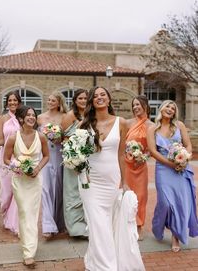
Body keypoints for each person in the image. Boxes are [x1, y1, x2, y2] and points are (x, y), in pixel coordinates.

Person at [80, 86, 140, 270]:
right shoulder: (85, 125)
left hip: (111, 181)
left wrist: (125, 182)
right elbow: (79, 155)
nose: (99, 98)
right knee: (98, 225)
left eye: (102, 95)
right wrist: (82, 173)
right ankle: (106, 267)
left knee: (107, 224)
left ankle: (94, 258)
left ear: (108, 99)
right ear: (92, 101)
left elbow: (121, 155)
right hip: (89, 182)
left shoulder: (121, 122)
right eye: (95, 96)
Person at [147, 100, 198, 252]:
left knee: (179, 203)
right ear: (161, 109)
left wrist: (185, 157)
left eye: (173, 108)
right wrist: (170, 164)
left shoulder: (179, 126)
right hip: (163, 169)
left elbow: (188, 145)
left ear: (175, 113)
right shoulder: (152, 129)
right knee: (166, 203)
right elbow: (153, 152)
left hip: (181, 169)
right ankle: (159, 223)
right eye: (167, 106)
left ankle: (175, 236)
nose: (170, 109)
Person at [4, 106, 49, 268]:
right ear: (21, 118)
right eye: (28, 115)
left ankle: (29, 252)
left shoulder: (41, 136)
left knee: (32, 213)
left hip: (35, 180)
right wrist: (17, 166)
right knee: (24, 212)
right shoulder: (12, 138)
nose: (31, 117)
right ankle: (27, 248)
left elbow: (46, 156)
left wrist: (37, 169)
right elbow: (6, 159)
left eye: (33, 115)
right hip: (19, 180)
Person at [0, 90, 21, 234]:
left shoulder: (23, 117)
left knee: (18, 192)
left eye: (15, 100)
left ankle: (15, 221)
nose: (12, 102)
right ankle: (5, 215)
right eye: (10, 100)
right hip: (6, 158)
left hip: (20, 158)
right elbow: (1, 140)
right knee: (7, 192)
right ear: (7, 103)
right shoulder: (1, 119)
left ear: (19, 102)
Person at [37, 92, 68, 238]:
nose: (50, 102)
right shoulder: (40, 118)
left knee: (60, 189)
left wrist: (59, 138)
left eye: (53, 100)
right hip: (45, 156)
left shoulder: (64, 117)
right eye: (48, 99)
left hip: (60, 154)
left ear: (59, 102)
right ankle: (48, 226)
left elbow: (67, 137)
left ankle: (60, 223)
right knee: (46, 189)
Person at [61, 88, 88, 238]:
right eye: (80, 98)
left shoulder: (91, 115)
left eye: (85, 98)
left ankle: (88, 224)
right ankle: (76, 229)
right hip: (73, 160)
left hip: (89, 159)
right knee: (73, 193)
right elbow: (64, 140)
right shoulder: (69, 116)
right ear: (75, 100)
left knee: (87, 191)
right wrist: (73, 156)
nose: (83, 101)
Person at [125, 95, 153, 240]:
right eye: (134, 105)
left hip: (140, 166)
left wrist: (142, 157)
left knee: (140, 196)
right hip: (126, 165)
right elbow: (121, 143)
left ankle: (139, 225)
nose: (135, 107)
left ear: (145, 106)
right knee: (127, 195)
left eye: (138, 104)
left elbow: (152, 149)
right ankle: (127, 225)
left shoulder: (151, 125)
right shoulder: (128, 123)